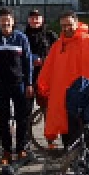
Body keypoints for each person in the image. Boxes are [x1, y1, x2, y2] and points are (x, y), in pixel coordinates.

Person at [36, 10, 89, 149]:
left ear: (76, 23)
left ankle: (86, 163)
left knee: (86, 133)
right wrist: (44, 87)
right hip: (64, 97)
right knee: (66, 130)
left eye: (69, 25)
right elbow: (48, 69)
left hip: (83, 98)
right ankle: (70, 160)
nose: (66, 28)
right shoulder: (58, 45)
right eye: (63, 26)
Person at [0, 8, 34, 163]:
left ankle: (21, 149)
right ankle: (6, 151)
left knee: (21, 119)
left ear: (13, 21)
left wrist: (29, 83)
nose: (5, 23)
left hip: (19, 84)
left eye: (8, 20)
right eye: (3, 20)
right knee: (3, 119)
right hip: (0, 85)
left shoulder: (21, 38)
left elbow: (28, 62)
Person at [22, 8, 57, 136]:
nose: (35, 20)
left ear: (42, 20)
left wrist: (44, 60)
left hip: (47, 77)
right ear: (28, 20)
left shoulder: (50, 35)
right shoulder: (22, 36)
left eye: (37, 18)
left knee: (49, 109)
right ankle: (25, 139)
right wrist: (30, 59)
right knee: (26, 109)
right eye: (32, 17)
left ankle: (50, 137)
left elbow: (58, 54)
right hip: (28, 77)